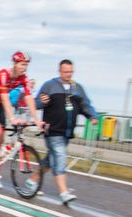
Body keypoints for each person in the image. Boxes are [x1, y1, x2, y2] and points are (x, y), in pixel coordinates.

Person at [31, 59, 97, 205]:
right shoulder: (49, 85)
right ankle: (63, 192)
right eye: (66, 72)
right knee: (59, 158)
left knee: (50, 159)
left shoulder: (77, 88)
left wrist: (92, 116)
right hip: (52, 129)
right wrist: (42, 101)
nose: (69, 74)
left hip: (66, 131)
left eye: (71, 72)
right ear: (59, 71)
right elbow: (35, 104)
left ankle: (32, 181)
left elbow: (85, 104)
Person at [0, 51, 44, 180]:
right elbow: (5, 98)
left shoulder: (23, 78)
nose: (24, 68)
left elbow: (29, 98)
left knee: (2, 137)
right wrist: (12, 118)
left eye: (26, 65)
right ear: (15, 63)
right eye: (22, 64)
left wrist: (37, 120)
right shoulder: (4, 74)